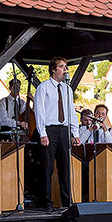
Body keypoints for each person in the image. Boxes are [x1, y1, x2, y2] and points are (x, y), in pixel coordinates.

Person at [34, 56, 80, 210]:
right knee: (47, 168)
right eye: (61, 66)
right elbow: (39, 111)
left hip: (64, 130)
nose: (65, 70)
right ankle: (46, 203)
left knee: (65, 167)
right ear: (53, 69)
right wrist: (42, 133)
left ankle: (67, 203)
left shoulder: (67, 89)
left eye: (65, 67)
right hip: (50, 129)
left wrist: (75, 132)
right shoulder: (44, 87)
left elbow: (71, 111)